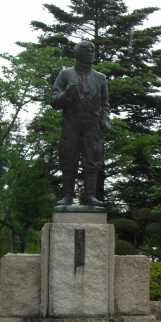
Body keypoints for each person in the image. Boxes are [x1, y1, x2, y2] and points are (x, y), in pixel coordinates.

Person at [51, 41, 110, 206]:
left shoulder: (100, 78)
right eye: (87, 50)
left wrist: (105, 120)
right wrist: (65, 95)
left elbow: (105, 104)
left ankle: (89, 196)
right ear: (78, 53)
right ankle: (68, 195)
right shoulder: (65, 74)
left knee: (93, 159)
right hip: (72, 120)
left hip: (92, 122)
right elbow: (54, 102)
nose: (91, 53)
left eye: (93, 50)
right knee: (68, 157)